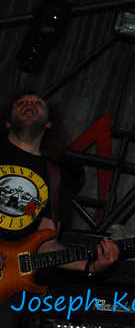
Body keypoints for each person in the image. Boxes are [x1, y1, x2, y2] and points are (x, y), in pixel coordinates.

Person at [0, 89, 119, 327]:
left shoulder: (56, 178)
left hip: (9, 285)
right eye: (22, 102)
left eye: (38, 102)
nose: (30, 102)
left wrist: (91, 265)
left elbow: (46, 244)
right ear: (7, 122)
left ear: (48, 124)